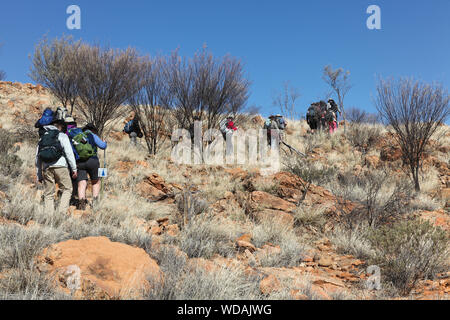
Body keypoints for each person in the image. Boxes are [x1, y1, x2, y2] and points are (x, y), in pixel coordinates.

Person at [36, 119, 77, 216]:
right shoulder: (62, 136)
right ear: (61, 127)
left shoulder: (42, 138)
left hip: (47, 167)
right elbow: (69, 153)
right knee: (67, 189)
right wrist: (74, 169)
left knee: (48, 193)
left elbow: (37, 157)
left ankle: (49, 217)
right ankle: (61, 214)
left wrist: (39, 175)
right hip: (61, 166)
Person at [70, 123, 107, 210]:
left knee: (82, 183)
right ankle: (95, 203)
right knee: (95, 182)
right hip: (93, 161)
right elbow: (103, 146)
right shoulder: (92, 135)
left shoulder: (78, 136)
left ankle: (82, 204)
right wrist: (105, 143)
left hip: (80, 162)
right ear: (93, 130)